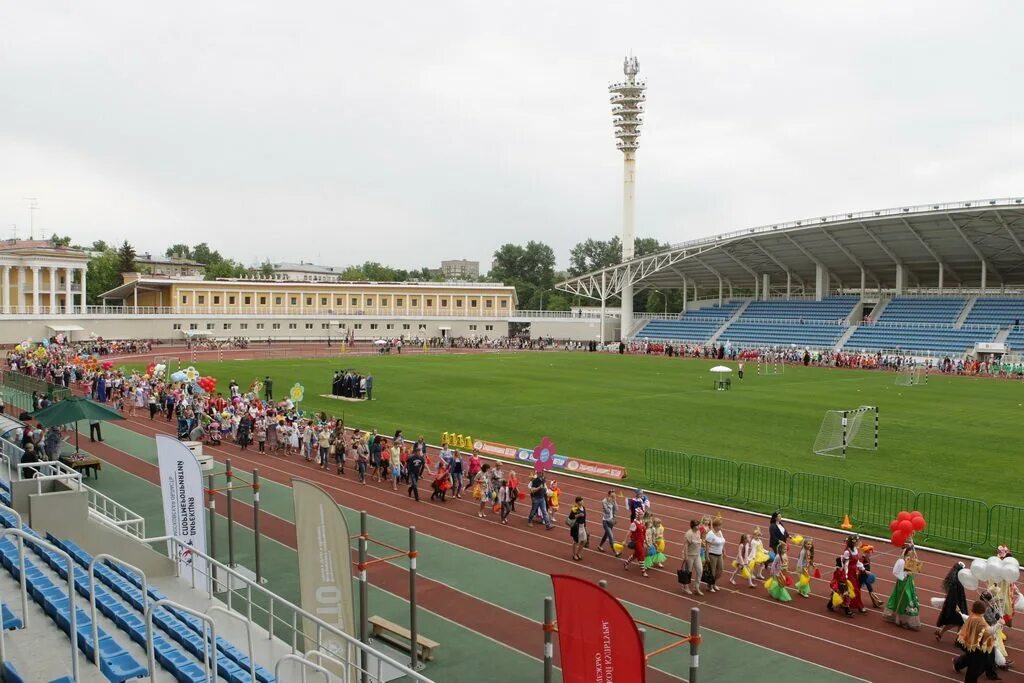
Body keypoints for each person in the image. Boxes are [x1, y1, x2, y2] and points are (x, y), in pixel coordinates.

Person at [953, 601, 996, 682]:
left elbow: (965, 618)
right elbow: (989, 631)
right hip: (976, 646)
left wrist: (960, 613)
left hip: (971, 644)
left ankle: (958, 664)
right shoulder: (979, 620)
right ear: (982, 610)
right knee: (975, 666)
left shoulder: (974, 616)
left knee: (973, 659)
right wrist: (999, 624)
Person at [882, 543, 921, 630]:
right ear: (907, 552)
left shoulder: (910, 559)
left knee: (909, 600)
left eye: (912, 551)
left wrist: (916, 565)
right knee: (903, 599)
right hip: (903, 583)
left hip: (909, 582)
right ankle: (898, 619)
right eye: (910, 551)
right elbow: (895, 571)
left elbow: (917, 569)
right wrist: (905, 575)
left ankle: (901, 619)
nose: (912, 553)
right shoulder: (901, 561)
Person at [937, 562, 969, 641]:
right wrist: (957, 606)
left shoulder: (955, 579)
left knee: (959, 622)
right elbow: (954, 596)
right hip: (956, 604)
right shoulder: (956, 582)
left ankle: (945, 635)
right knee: (958, 621)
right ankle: (956, 639)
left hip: (956, 603)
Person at [842, 535, 867, 613]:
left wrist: (862, 568)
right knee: (854, 589)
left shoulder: (855, 549)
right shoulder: (847, 552)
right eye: (857, 541)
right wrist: (845, 575)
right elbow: (845, 564)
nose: (859, 542)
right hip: (849, 572)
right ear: (853, 542)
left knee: (854, 589)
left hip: (854, 572)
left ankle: (847, 603)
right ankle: (859, 606)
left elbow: (857, 561)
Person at [682, 519, 704, 595]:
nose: (699, 527)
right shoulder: (689, 534)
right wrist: (685, 556)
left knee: (700, 570)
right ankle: (686, 587)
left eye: (699, 525)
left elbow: (699, 541)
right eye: (697, 525)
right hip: (690, 555)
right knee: (688, 572)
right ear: (693, 526)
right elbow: (685, 545)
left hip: (697, 555)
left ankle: (696, 587)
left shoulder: (698, 532)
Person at [704, 519, 726, 592]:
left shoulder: (720, 532)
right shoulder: (710, 534)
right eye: (720, 525)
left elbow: (722, 542)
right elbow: (707, 546)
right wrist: (706, 556)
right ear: (715, 526)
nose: (721, 527)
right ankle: (710, 585)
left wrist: (724, 552)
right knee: (712, 572)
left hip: (719, 554)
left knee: (720, 570)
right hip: (712, 555)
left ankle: (713, 583)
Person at [597, 490, 619, 556]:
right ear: (609, 495)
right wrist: (610, 503)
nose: (614, 497)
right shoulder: (604, 501)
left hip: (611, 521)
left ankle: (599, 545)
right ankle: (615, 552)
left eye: (614, 496)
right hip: (606, 521)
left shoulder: (613, 500)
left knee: (606, 534)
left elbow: (617, 509)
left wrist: (614, 501)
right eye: (613, 495)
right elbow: (606, 511)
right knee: (611, 536)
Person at [567, 496, 588, 561]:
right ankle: (574, 555)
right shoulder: (574, 509)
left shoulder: (583, 508)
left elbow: (584, 519)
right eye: (581, 501)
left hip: (582, 527)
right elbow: (571, 517)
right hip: (576, 527)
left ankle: (578, 553)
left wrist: (585, 527)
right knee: (576, 542)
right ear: (578, 502)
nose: (582, 502)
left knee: (584, 541)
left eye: (582, 500)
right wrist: (578, 515)